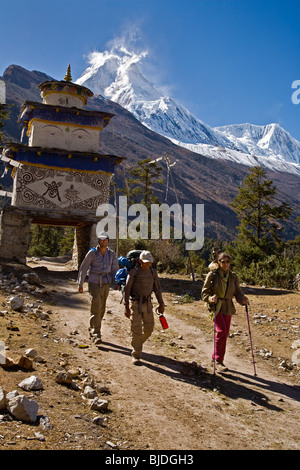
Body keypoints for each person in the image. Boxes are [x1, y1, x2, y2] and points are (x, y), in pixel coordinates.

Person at [202, 252, 249, 371]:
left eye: (228, 261)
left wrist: (242, 299)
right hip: (216, 307)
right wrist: (210, 298)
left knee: (225, 333)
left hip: (228, 307)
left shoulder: (233, 277)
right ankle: (217, 360)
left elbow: (238, 292)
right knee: (221, 331)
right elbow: (204, 293)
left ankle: (218, 359)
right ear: (219, 262)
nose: (226, 264)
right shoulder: (212, 275)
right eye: (223, 262)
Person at [77, 231, 119, 345]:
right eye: (102, 239)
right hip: (94, 282)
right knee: (96, 306)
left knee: (102, 308)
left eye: (106, 239)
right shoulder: (92, 253)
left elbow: (115, 268)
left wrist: (117, 282)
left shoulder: (111, 254)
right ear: (98, 241)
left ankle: (92, 329)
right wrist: (80, 283)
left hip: (106, 283)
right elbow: (84, 267)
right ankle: (96, 334)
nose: (104, 241)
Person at [124, 250, 165, 365]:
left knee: (149, 328)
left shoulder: (153, 272)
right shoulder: (134, 273)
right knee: (136, 329)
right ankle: (136, 354)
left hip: (148, 304)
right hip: (135, 304)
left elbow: (157, 289)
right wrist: (126, 307)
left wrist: (161, 303)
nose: (148, 265)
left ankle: (137, 343)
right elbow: (127, 290)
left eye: (150, 263)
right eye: (146, 263)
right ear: (141, 261)